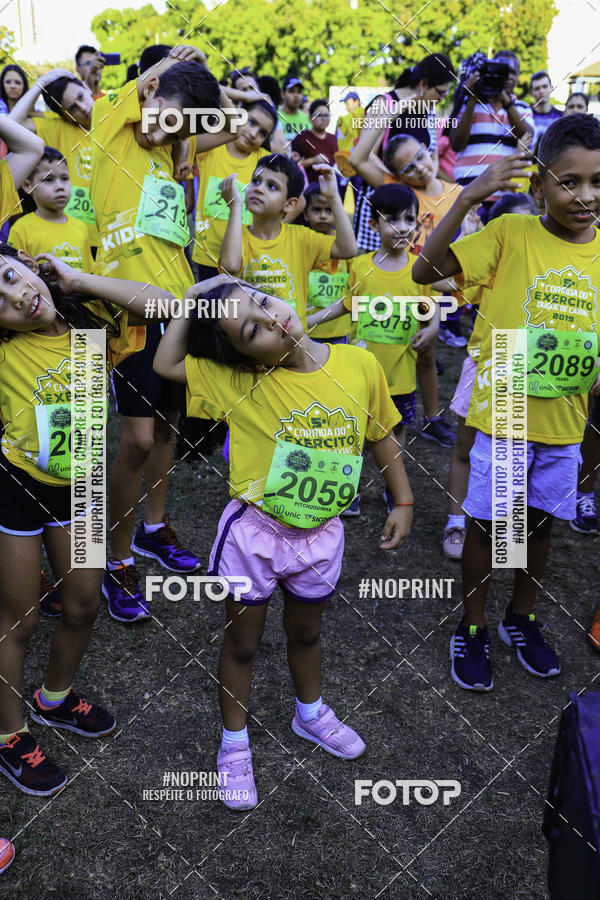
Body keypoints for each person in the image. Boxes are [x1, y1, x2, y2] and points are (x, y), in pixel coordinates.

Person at [153, 272, 413, 810]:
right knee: (243, 643)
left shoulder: (359, 364)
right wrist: (195, 299)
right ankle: (234, 744)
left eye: (263, 302)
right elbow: (165, 364)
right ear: (246, 358)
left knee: (308, 632)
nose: (272, 318)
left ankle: (309, 714)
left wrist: (403, 499)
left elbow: (380, 432)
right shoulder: (240, 382)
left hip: (321, 537)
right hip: (256, 538)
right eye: (253, 329)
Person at [413, 114, 600, 690]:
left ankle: (521, 616)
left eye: (598, 181)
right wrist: (470, 195)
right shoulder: (512, 234)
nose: (586, 195)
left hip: (565, 422)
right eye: (569, 181)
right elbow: (425, 269)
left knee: (538, 527)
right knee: (491, 526)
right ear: (538, 186)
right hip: (507, 413)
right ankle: (472, 625)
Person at [0, 248, 176, 795]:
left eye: (10, 276)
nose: (17, 297)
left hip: (81, 491)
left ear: (29, 264)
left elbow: (167, 306)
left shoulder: (92, 326)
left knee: (83, 604)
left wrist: (79, 279)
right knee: (19, 622)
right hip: (15, 493)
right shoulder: (6, 348)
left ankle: (53, 698)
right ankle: (8, 735)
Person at [90, 45, 231, 621]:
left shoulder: (175, 143)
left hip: (180, 309)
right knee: (139, 440)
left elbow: (229, 124)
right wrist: (167, 64)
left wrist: (189, 115)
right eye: (165, 118)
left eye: (181, 129)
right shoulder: (113, 122)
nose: (167, 132)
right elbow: (148, 96)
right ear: (148, 91)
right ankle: (115, 558)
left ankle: (152, 527)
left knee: (168, 427)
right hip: (128, 317)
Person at [308, 182, 453, 512]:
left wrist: (432, 329)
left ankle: (392, 488)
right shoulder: (360, 266)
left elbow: (431, 309)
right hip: (359, 376)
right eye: (392, 219)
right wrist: (308, 321)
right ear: (373, 225)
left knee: (395, 431)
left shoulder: (419, 270)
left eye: (409, 219)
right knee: (352, 432)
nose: (402, 227)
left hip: (400, 377)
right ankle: (347, 490)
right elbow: (346, 305)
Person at [349, 120, 460, 445]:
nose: (419, 168)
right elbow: (358, 159)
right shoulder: (402, 195)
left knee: (426, 353)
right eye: (408, 167)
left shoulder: (457, 194)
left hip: (432, 286)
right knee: (401, 348)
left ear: (430, 150)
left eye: (420, 157)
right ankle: (380, 409)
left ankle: (432, 418)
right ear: (398, 175)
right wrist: (387, 112)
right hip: (401, 282)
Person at [442, 192, 538, 561]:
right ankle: (456, 521)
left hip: (530, 372)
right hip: (485, 366)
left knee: (517, 456)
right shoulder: (491, 265)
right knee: (465, 449)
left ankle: (506, 531)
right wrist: (472, 248)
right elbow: (438, 281)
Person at [219, 155, 357, 330]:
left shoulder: (301, 237)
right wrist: (235, 207)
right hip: (254, 339)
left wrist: (334, 197)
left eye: (272, 186)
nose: (259, 189)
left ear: (290, 205)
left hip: (294, 339)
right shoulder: (237, 237)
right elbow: (230, 266)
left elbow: (348, 249)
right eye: (256, 181)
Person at [352, 54, 456, 254]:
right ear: (423, 84)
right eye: (440, 93)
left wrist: (426, 183)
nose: (441, 99)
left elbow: (433, 154)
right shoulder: (385, 103)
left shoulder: (429, 111)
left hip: (416, 205)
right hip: (383, 199)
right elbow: (367, 153)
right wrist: (399, 183)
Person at [9, 67, 99, 246]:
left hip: (115, 232)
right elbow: (12, 124)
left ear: (86, 87)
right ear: (65, 116)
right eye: (72, 108)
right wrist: (41, 83)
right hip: (74, 236)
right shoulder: (58, 127)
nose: (83, 108)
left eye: (81, 97)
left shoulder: (114, 119)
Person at [191, 98, 278, 280]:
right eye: (251, 122)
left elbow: (296, 200)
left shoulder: (265, 161)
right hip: (207, 255)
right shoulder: (212, 148)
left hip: (246, 258)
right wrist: (242, 95)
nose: (253, 133)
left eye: (262, 133)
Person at [450, 51, 534, 208]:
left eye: (512, 72)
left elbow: (526, 136)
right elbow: (456, 144)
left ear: (517, 77)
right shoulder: (469, 103)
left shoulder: (522, 108)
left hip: (505, 196)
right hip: (469, 193)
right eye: (502, 72)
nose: (507, 77)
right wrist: (472, 99)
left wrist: (506, 102)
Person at [9, 147, 93, 272]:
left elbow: (89, 274)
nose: (60, 187)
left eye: (64, 178)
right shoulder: (21, 229)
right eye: (48, 179)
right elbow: (17, 273)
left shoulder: (81, 227)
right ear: (28, 186)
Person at [303, 182, 352, 346]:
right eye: (316, 210)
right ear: (305, 213)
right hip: (307, 329)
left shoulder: (345, 244)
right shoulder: (300, 241)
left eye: (329, 210)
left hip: (338, 329)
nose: (323, 216)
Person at [291, 99, 338, 183]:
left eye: (326, 115)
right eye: (319, 115)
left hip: (332, 185)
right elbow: (292, 166)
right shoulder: (302, 137)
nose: (324, 119)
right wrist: (313, 161)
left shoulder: (334, 139)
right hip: (308, 187)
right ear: (310, 118)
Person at [529, 71, 562, 144]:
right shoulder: (525, 116)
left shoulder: (561, 117)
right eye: (537, 88)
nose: (541, 91)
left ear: (552, 88)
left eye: (545, 86)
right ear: (531, 93)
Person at [278, 76, 310, 143]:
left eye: (299, 92)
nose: (296, 95)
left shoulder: (308, 119)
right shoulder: (274, 116)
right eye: (291, 91)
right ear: (282, 94)